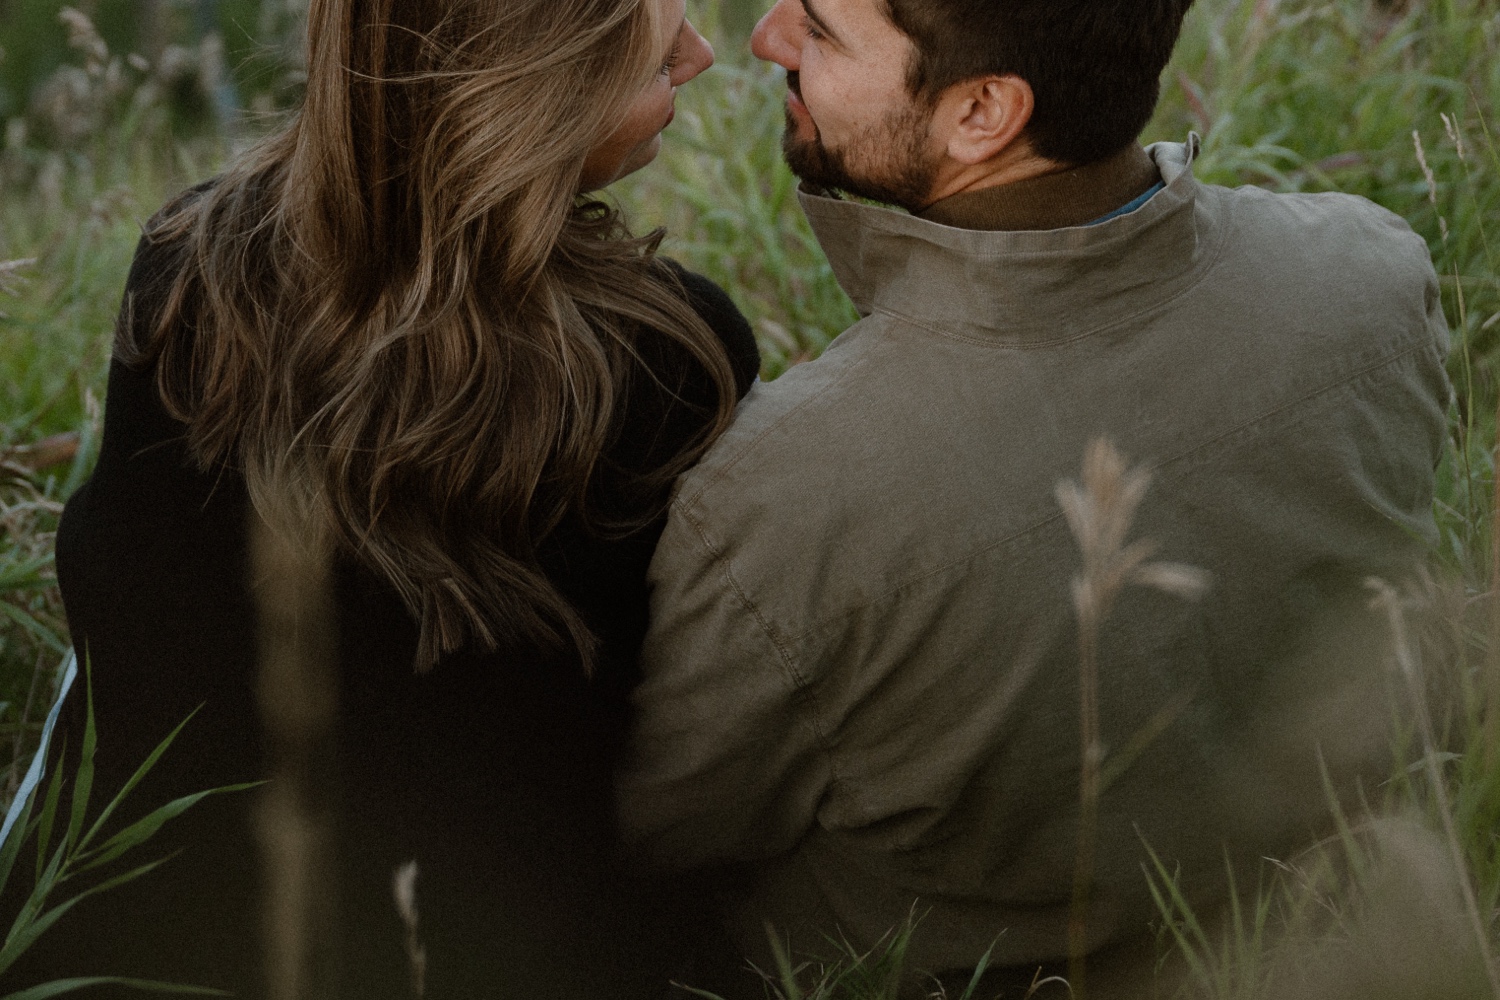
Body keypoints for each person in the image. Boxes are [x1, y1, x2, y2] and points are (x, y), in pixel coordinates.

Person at [616, 0, 1453, 995]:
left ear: (983, 112)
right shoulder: (1375, 272)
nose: (764, 39)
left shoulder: (783, 495)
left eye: (823, 30)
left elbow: (654, 834)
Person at [19, 0, 760, 996]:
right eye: (652, 55)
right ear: (521, 96)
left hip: (124, 943)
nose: (704, 57)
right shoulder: (666, 363)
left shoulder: (190, 269)